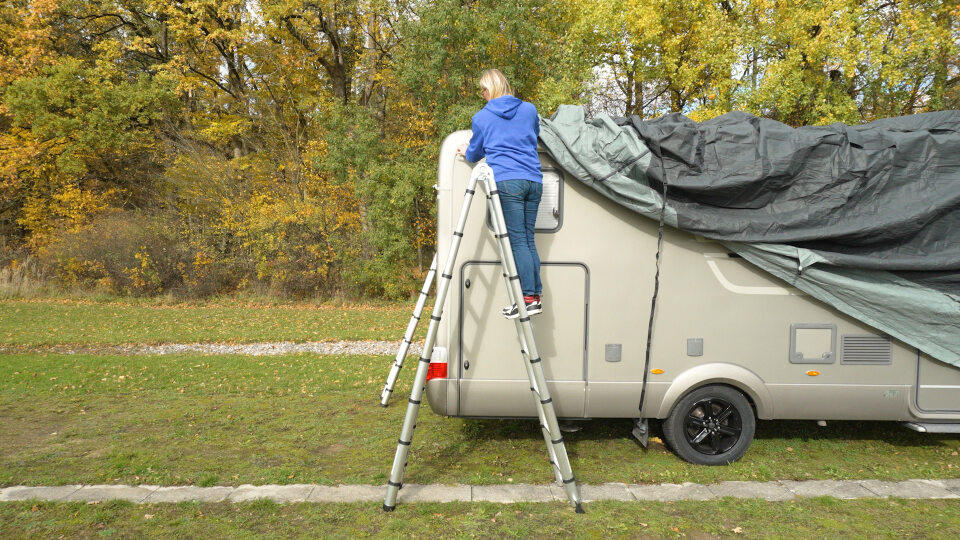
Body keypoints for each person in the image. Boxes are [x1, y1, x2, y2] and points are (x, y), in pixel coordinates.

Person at [457, 69, 543, 319]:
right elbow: (534, 134)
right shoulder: (529, 109)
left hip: (508, 182)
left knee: (517, 242)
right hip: (534, 180)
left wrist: (465, 151)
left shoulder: (482, 117)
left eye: (482, 91)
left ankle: (526, 297)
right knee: (527, 239)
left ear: (489, 89)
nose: (482, 96)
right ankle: (532, 297)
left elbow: (474, 153)